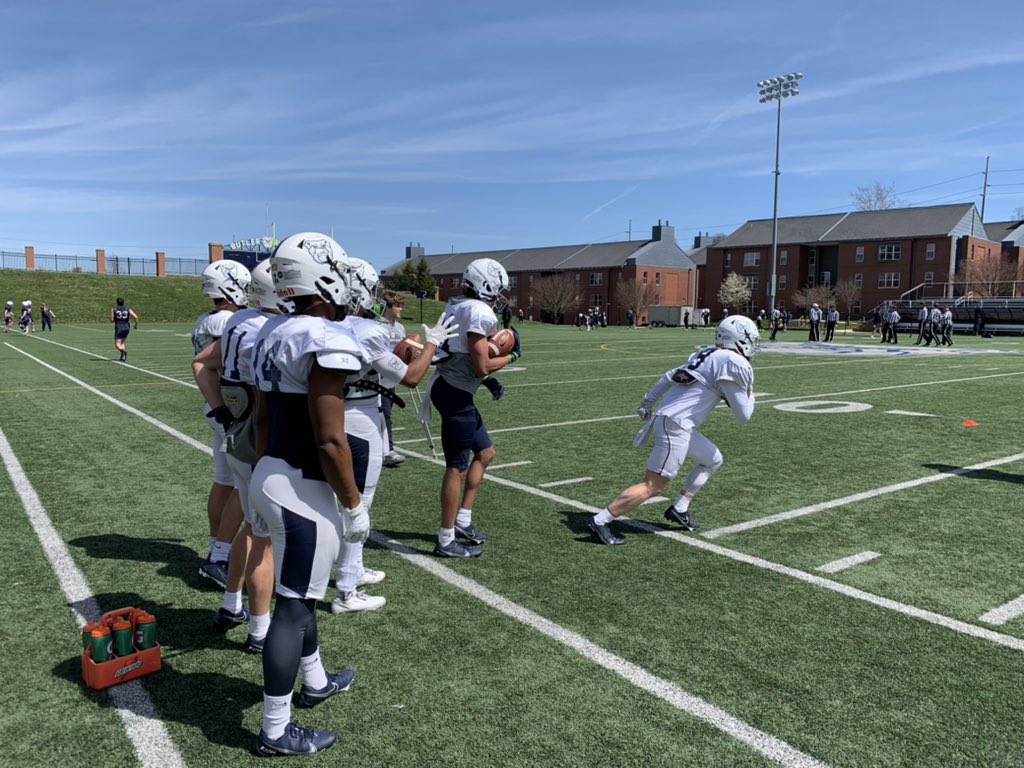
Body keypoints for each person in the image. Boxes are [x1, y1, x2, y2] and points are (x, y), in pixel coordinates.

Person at [249, 232, 364, 756]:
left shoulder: (273, 331)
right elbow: (330, 438)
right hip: (301, 487)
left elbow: (263, 419)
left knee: (302, 594)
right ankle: (275, 730)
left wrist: (260, 475)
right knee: (293, 607)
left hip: (271, 472)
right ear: (322, 276)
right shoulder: (323, 336)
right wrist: (354, 503)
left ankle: (315, 680)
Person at [332, 259, 458, 612]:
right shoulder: (366, 329)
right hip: (359, 417)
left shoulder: (327, 324)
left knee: (343, 501)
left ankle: (353, 568)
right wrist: (432, 344)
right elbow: (411, 377)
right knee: (359, 503)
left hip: (333, 411)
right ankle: (346, 590)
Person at [587, 315, 759, 546]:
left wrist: (648, 402)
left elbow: (670, 376)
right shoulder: (732, 361)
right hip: (676, 424)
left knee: (712, 460)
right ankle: (600, 520)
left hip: (673, 421)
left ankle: (680, 507)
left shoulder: (706, 353)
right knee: (653, 486)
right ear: (740, 338)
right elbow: (743, 415)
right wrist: (750, 393)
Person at [192, 260, 292, 653]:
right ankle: (260, 631)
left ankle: (232, 604)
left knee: (251, 527)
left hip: (237, 433)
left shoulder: (237, 321)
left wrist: (220, 409)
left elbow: (201, 363)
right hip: (260, 439)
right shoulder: (271, 329)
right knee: (263, 537)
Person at [425, 257, 518, 558]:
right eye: (497, 289)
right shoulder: (478, 311)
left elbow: (462, 354)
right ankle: (446, 539)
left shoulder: (457, 305)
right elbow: (481, 365)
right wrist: (513, 356)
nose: (500, 296)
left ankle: (462, 521)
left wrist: (486, 381)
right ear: (485, 285)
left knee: (486, 453)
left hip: (452, 386)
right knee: (456, 468)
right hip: (455, 392)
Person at [192, 260, 251, 589]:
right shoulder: (227, 320)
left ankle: (217, 548)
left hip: (217, 407)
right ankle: (219, 556)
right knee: (245, 486)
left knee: (224, 481)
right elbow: (211, 363)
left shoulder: (206, 318)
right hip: (231, 409)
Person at [378, 290, 407, 468]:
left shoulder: (400, 328)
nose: (400, 309)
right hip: (378, 376)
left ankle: (383, 448)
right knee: (384, 413)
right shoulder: (378, 326)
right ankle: (388, 451)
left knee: (387, 413)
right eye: (397, 306)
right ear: (387, 307)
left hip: (392, 376)